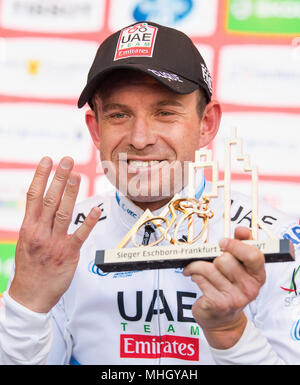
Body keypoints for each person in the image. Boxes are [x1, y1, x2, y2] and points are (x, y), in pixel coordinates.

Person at [0, 21, 299, 365]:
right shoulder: (56, 245)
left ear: (207, 124)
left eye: (165, 112)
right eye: (118, 114)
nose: (140, 139)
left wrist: (231, 333)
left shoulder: (277, 240)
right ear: (95, 129)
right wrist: (26, 305)